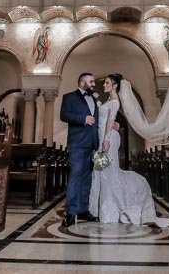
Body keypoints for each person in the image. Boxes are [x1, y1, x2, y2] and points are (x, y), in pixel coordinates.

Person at [89, 73, 169, 227]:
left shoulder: (114, 102)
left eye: (107, 83)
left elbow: (109, 121)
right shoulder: (109, 100)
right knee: (102, 172)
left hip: (108, 139)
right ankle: (104, 209)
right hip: (104, 137)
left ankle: (114, 209)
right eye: (105, 83)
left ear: (115, 86)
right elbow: (105, 116)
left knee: (107, 172)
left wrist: (106, 139)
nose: (104, 85)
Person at [60, 73, 101, 227]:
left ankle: (83, 209)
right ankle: (70, 212)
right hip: (77, 144)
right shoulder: (69, 97)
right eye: (91, 81)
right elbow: (64, 115)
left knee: (87, 178)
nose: (93, 84)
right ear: (82, 83)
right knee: (76, 177)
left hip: (92, 144)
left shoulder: (94, 99)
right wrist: (83, 119)